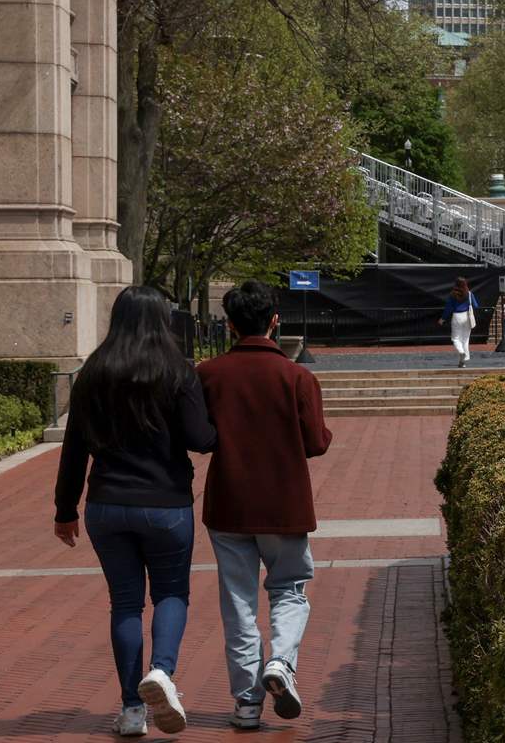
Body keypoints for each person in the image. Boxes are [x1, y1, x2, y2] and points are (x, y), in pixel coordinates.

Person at [53, 286, 218, 737]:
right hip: (165, 503)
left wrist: (64, 508)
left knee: (124, 603)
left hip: (106, 503)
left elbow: (74, 448)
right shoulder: (177, 371)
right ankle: (162, 672)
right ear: (163, 320)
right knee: (171, 594)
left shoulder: (94, 372)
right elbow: (201, 439)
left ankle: (131, 710)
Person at [197, 281, 332, 732]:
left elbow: (201, 437)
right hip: (284, 502)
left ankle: (246, 703)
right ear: (275, 320)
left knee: (237, 602)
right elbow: (316, 443)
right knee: (290, 587)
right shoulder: (297, 378)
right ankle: (281, 663)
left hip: (229, 502)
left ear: (229, 324)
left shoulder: (209, 374)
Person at [439, 277, 479, 368]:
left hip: (457, 316)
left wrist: (443, 319)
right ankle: (463, 361)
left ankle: (461, 352)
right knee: (465, 339)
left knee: (456, 338)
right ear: (465, 284)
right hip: (467, 317)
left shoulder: (452, 295)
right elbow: (476, 306)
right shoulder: (469, 294)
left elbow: (448, 308)